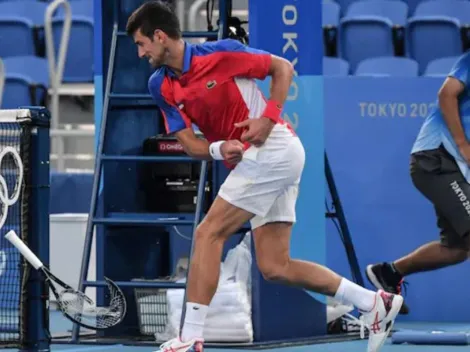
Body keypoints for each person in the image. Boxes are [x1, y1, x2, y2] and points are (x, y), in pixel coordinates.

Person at [126, 2, 403, 351]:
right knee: (275, 266)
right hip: (257, 159)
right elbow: (188, 143)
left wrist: (267, 119)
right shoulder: (160, 85)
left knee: (208, 232)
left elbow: (282, 67)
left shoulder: (222, 53)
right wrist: (218, 147)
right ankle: (372, 302)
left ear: (160, 36)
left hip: (273, 149)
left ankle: (190, 337)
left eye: (142, 44)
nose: (140, 53)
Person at [366, 51, 470, 315]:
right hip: (438, 157)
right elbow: (446, 94)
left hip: (453, 167)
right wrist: (462, 144)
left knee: (456, 249)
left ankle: (389, 272)